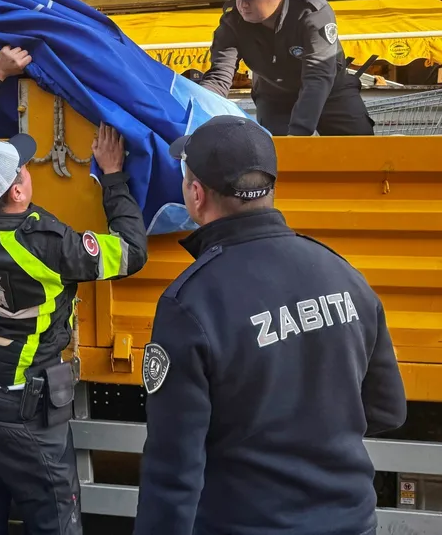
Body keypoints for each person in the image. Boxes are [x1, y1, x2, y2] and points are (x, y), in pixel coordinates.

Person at [134, 116, 407, 535]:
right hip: (350, 521)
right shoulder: (341, 272)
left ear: (196, 194)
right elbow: (388, 409)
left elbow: (173, 467)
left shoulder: (191, 303)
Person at [0, 46, 148, 535]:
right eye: (23, 167)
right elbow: (131, 252)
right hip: (27, 416)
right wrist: (114, 177)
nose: (27, 170)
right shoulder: (44, 246)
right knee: (55, 522)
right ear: (17, 191)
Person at [200, 0, 375, 136]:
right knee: (276, 151)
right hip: (274, 97)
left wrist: (298, 132)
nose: (242, 4)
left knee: (361, 146)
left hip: (331, 91)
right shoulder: (232, 22)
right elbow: (219, 77)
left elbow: (318, 75)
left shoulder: (311, 12)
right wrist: (197, 111)